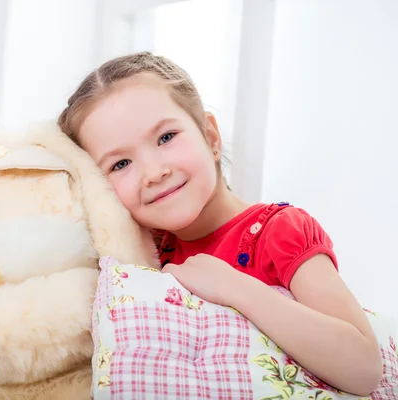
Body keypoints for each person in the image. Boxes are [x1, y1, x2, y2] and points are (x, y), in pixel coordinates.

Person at [57, 51, 382, 396]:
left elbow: (363, 368)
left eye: (166, 137)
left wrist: (232, 286)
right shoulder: (138, 254)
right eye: (121, 163)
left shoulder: (279, 231)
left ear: (211, 137)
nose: (154, 173)